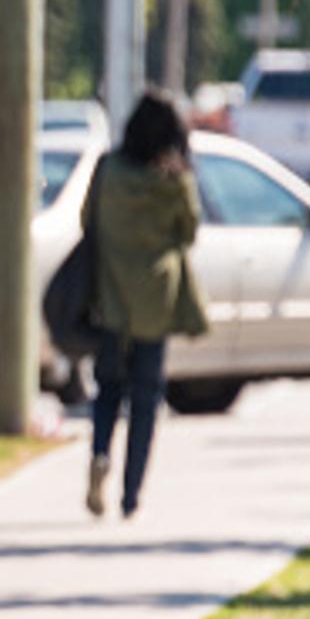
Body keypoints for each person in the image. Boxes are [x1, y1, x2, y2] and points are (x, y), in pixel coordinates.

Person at [83, 91, 208, 519]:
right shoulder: (172, 182)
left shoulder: (109, 170)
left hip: (110, 298)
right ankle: (131, 493)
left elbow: (88, 221)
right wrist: (180, 183)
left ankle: (100, 452)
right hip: (156, 302)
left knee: (106, 389)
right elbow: (189, 232)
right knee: (145, 399)